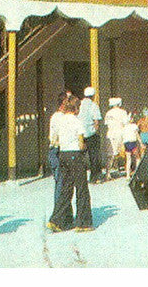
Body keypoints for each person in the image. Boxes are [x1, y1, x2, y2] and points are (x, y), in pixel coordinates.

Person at [47, 91, 92, 232]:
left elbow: (55, 139)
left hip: (63, 155)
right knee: (81, 188)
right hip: (75, 155)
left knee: (65, 188)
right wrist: (84, 147)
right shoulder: (76, 121)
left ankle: (57, 220)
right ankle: (82, 222)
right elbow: (81, 143)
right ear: (76, 109)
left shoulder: (60, 120)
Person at [78, 86, 103, 182]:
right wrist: (96, 131)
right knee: (94, 156)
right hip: (91, 133)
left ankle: (81, 178)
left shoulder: (79, 104)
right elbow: (96, 121)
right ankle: (94, 177)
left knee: (81, 157)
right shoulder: (93, 105)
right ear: (93, 95)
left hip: (80, 134)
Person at [103, 98, 131, 178]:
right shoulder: (123, 112)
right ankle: (127, 172)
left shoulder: (108, 113)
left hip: (110, 133)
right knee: (125, 152)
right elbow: (126, 123)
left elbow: (107, 123)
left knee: (110, 154)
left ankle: (108, 173)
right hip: (120, 133)